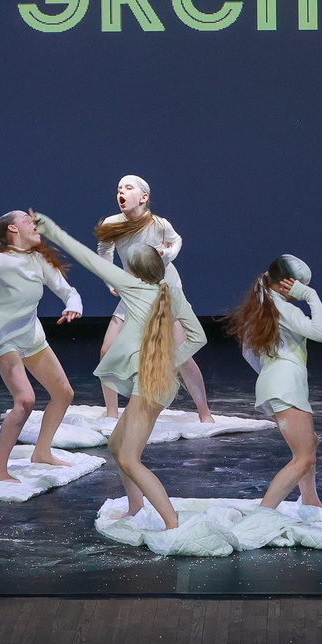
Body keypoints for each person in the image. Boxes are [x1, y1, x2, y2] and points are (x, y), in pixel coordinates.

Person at [33, 210, 206, 531]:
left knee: (129, 458)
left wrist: (51, 230)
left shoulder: (132, 287)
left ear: (134, 272)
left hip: (150, 386)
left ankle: (172, 523)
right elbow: (199, 337)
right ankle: (136, 507)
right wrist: (171, 361)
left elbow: (87, 257)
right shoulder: (171, 292)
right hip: (156, 383)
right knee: (116, 444)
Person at [0, 210, 83, 481]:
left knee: (63, 393)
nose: (35, 224)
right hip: (2, 334)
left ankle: (42, 452)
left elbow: (68, 291)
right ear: (12, 229)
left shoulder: (39, 260)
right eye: (27, 221)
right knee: (25, 400)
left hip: (30, 333)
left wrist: (73, 306)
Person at [93, 175, 211, 422]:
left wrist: (166, 254)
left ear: (143, 197)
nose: (121, 192)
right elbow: (103, 252)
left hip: (164, 290)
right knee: (107, 350)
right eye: (119, 189)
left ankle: (204, 412)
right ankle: (112, 413)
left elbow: (176, 241)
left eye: (128, 188)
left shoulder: (159, 224)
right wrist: (111, 281)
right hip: (134, 290)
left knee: (181, 354)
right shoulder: (112, 223)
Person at [223, 254, 322, 510]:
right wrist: (311, 296)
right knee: (304, 457)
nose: (301, 290)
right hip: (286, 385)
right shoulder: (286, 308)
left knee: (310, 442)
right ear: (288, 284)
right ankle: (263, 514)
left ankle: (310, 499)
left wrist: (269, 375)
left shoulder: (263, 300)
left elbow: (248, 352)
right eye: (301, 285)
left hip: (275, 382)